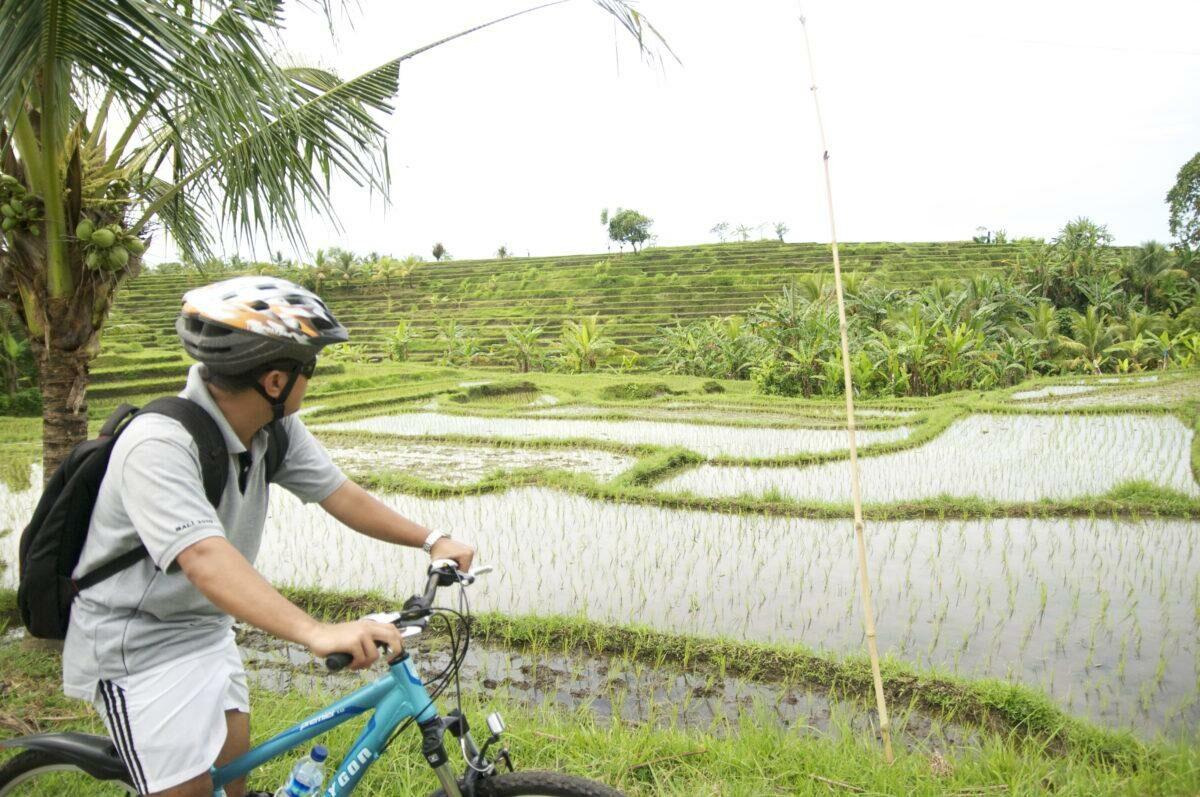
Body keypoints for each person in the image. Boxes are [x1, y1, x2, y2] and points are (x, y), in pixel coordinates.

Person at [62, 276, 475, 797]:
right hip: (135, 646)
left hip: (205, 629)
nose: (313, 379)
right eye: (311, 368)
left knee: (231, 784)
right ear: (276, 381)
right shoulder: (157, 444)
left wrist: (431, 538)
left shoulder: (270, 429)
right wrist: (317, 631)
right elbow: (205, 559)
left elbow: (339, 494)